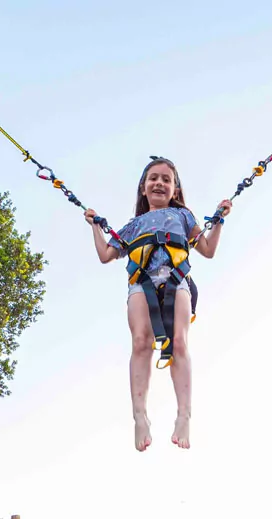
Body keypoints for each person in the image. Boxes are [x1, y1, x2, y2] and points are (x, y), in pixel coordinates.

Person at [84, 157, 232, 451]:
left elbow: (207, 250)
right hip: (141, 281)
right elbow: (105, 255)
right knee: (141, 342)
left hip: (177, 280)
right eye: (153, 178)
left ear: (175, 189)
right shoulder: (133, 225)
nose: (159, 183)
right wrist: (94, 225)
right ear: (143, 188)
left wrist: (218, 221)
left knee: (178, 343)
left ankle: (183, 415)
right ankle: (140, 416)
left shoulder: (184, 217)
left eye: (166, 179)